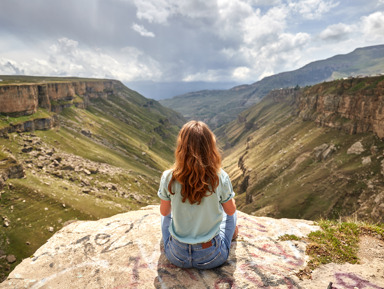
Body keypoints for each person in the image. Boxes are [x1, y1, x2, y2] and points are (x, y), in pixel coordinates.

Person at [157, 120, 238, 269]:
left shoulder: (168, 177)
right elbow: (230, 210)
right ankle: (232, 233)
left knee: (164, 214)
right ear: (210, 146)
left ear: (181, 147)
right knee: (232, 214)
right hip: (211, 256)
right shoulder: (219, 176)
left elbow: (164, 211)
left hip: (176, 255)